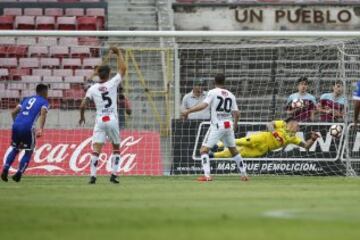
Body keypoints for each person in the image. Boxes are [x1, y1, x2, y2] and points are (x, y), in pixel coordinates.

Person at [181, 73, 248, 182]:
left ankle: (207, 176)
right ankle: (244, 174)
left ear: (214, 82)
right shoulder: (231, 95)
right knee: (233, 150)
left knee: (203, 150)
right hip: (229, 124)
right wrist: (235, 125)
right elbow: (237, 113)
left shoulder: (212, 92)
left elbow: (204, 105)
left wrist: (188, 111)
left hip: (217, 125)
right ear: (224, 82)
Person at [79, 47, 127, 184]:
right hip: (112, 119)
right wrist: (119, 54)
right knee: (116, 148)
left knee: (96, 149)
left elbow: (83, 105)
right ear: (109, 73)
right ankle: (114, 174)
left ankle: (93, 176)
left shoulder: (92, 88)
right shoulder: (112, 83)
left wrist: (82, 116)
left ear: (98, 74)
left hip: (100, 120)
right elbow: (123, 69)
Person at [1, 84, 49, 182]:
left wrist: (18, 124)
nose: (47, 94)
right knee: (28, 151)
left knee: (15, 148)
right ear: (44, 92)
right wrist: (41, 129)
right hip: (28, 127)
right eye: (47, 92)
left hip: (16, 125)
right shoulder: (44, 101)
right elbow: (43, 113)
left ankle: (5, 169)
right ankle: (18, 174)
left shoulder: (26, 99)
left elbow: (13, 113)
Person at [210, 118, 319, 159]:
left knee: (239, 153)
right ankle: (218, 145)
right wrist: (274, 133)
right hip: (262, 138)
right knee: (241, 141)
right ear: (292, 123)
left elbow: (306, 146)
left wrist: (313, 139)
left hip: (262, 149)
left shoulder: (293, 138)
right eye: (297, 125)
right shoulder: (282, 124)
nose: (298, 127)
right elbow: (269, 124)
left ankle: (213, 155)